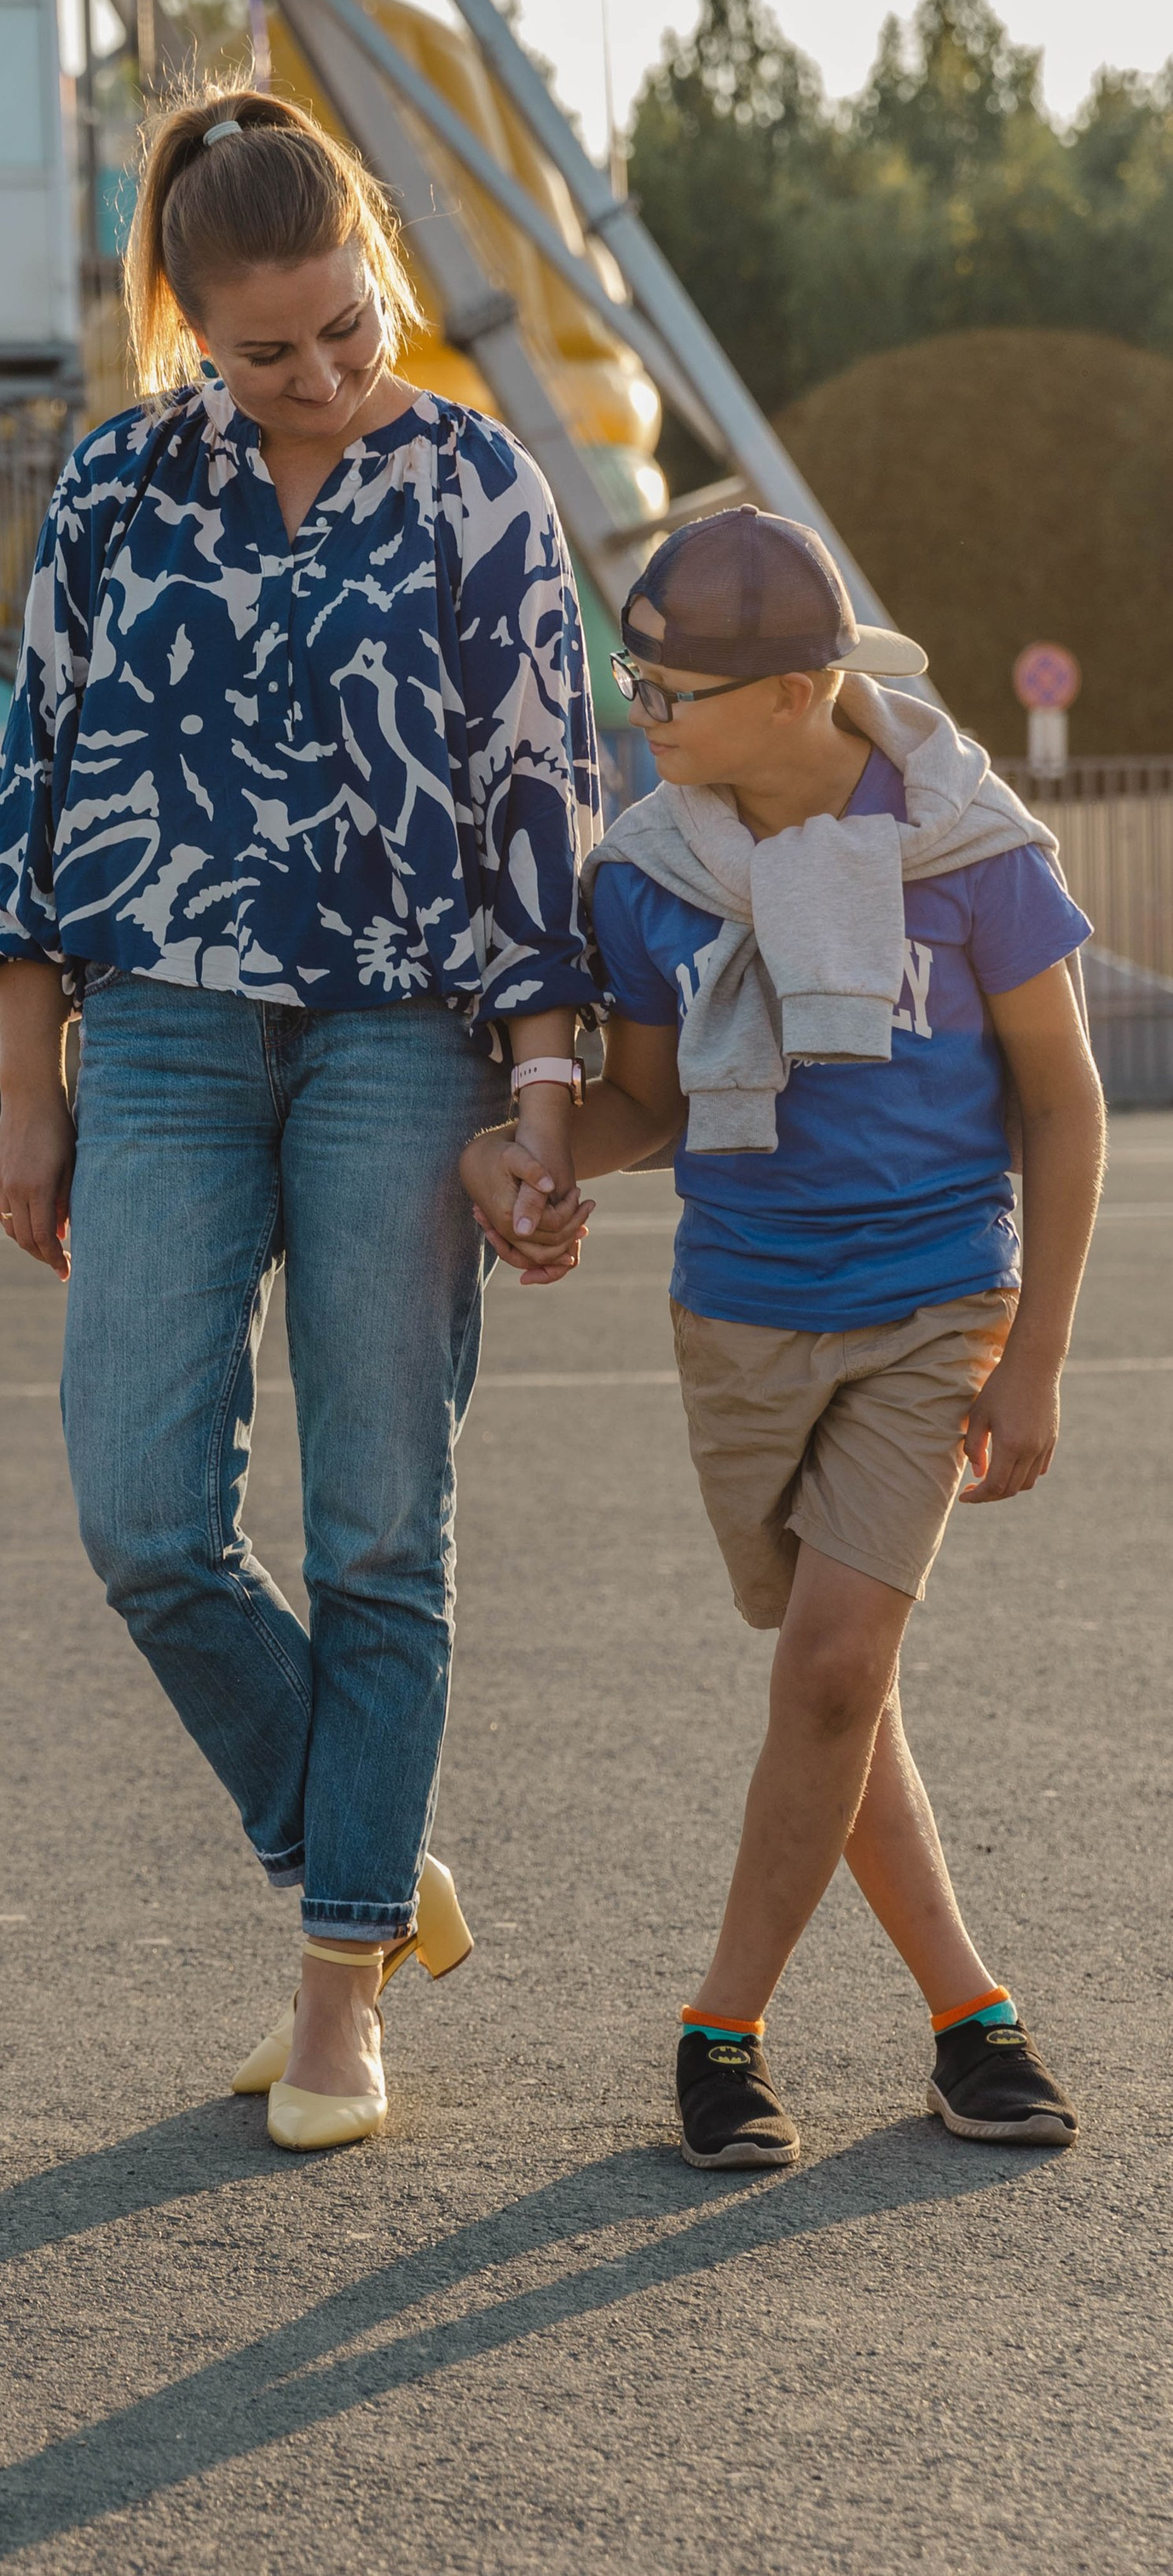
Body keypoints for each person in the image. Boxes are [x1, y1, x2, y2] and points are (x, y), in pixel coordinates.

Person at [0, 90, 600, 2152]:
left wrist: (535, 1103)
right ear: (184, 328)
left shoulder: (479, 482)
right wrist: (23, 1094)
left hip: (405, 1042)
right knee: (141, 1518)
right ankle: (356, 1842)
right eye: (268, 348)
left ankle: (340, 1995)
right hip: (151, 1034)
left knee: (376, 1529)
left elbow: (538, 821)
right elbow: (35, 793)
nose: (324, 374)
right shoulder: (113, 489)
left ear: (375, 265)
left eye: (348, 322)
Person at [462, 508, 1099, 2168]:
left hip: (932, 1300)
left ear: (799, 687)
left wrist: (1030, 1350)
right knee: (842, 1684)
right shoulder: (651, 874)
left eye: (670, 685)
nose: (640, 708)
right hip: (739, 1315)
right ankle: (970, 2020)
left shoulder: (969, 848)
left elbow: (1062, 1097)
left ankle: (714, 2031)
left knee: (825, 1667)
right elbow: (645, 1107)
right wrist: (524, 1159)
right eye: (634, 675)